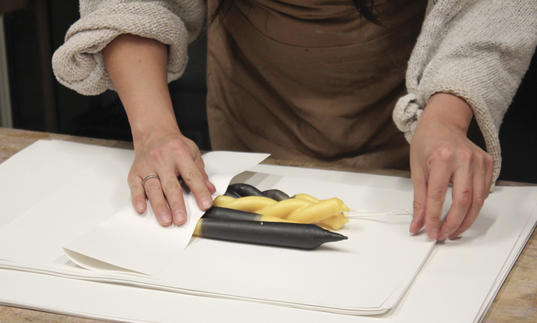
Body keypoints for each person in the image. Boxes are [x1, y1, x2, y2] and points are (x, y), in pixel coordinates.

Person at [52, 0, 537, 241]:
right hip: (255, 104)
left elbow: (490, 7)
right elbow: (137, 5)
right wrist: (155, 131)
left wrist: (447, 116)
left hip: (404, 115)